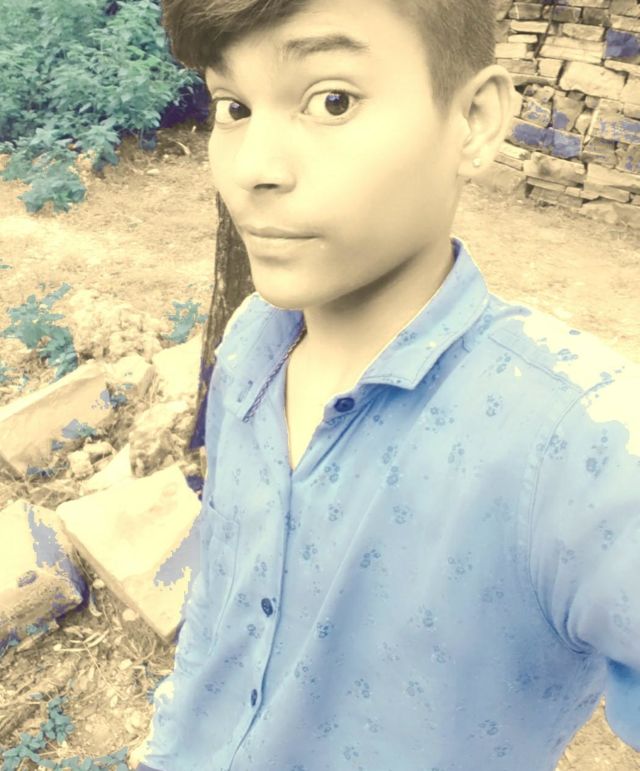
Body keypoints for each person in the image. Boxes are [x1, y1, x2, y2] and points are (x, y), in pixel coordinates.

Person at [132, 0, 640, 768]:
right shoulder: (249, 346)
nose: (252, 168)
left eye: (331, 100)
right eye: (232, 107)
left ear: (474, 120)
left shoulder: (579, 445)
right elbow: (219, 607)